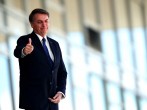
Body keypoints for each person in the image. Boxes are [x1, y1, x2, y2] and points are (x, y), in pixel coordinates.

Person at [14, 8, 67, 110]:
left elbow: (62, 71)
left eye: (46, 21)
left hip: (53, 104)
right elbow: (17, 52)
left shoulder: (55, 44)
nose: (44, 25)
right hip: (34, 103)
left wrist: (61, 92)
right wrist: (24, 51)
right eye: (39, 22)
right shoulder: (25, 40)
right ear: (32, 24)